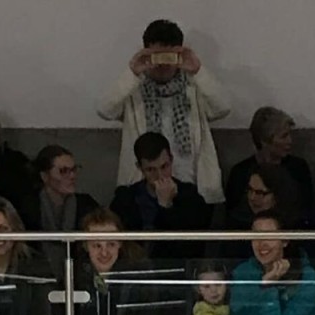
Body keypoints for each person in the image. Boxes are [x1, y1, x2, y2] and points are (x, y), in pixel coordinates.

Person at [97, 18, 231, 201]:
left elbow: (223, 108)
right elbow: (104, 110)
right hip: (143, 188)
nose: (162, 64)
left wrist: (198, 71)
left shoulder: (193, 87)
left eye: (168, 57)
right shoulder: (134, 89)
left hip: (193, 188)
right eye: (157, 56)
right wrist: (133, 72)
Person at [108, 131, 214, 260]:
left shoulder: (191, 197)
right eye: (151, 170)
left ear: (171, 160)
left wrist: (166, 207)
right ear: (139, 167)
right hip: (134, 270)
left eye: (164, 167)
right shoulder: (126, 199)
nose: (159, 176)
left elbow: (192, 248)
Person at [223, 107, 314, 226]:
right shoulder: (240, 173)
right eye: (283, 136)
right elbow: (232, 216)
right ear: (264, 140)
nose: (290, 141)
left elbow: (307, 210)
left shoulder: (298, 168)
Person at [23, 144, 101, 277]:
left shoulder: (87, 205)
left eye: (74, 169)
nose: (72, 176)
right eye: (63, 171)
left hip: (80, 279)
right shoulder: (28, 207)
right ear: (44, 176)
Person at [226, 162, 305, 232]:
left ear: (277, 195)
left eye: (260, 193)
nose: (252, 198)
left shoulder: (296, 228)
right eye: (250, 190)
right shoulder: (236, 224)